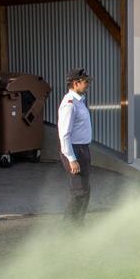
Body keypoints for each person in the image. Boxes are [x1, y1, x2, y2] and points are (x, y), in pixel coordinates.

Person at [57, 68, 93, 223]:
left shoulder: (79, 101)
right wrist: (71, 159)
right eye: (85, 81)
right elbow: (64, 134)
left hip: (83, 149)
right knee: (79, 191)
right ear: (75, 83)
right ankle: (68, 229)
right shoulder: (70, 104)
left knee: (85, 190)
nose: (88, 84)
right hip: (74, 150)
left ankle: (78, 224)